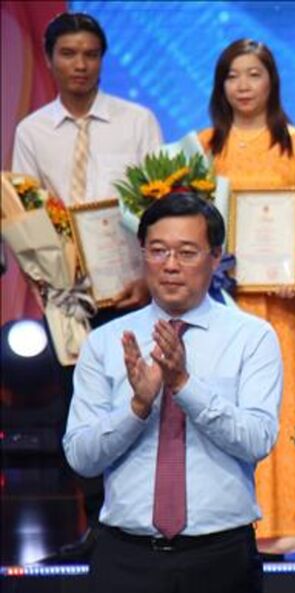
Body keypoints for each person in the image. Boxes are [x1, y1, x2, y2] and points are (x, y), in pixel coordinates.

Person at [63, 192, 282, 593]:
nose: (170, 265)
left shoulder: (252, 338)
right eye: (158, 250)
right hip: (125, 558)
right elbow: (81, 457)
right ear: (142, 254)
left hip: (216, 558)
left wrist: (184, 385)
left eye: (186, 252)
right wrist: (137, 408)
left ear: (216, 257)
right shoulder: (106, 342)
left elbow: (257, 440)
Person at [12, 11, 163, 559]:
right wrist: (54, 283)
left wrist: (148, 279)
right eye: (69, 54)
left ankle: (145, 521)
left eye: (90, 54)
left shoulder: (136, 121)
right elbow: (23, 210)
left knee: (140, 402)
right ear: (50, 59)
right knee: (80, 409)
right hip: (68, 299)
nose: (80, 64)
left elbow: (160, 204)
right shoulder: (32, 131)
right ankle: (98, 526)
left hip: (131, 291)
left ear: (103, 59)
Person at [199, 38, 295, 556]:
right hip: (218, 303)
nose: (244, 86)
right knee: (220, 403)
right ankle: (221, 521)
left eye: (254, 74)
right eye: (233, 75)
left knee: (279, 405)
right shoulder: (204, 147)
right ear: (220, 85)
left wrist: (293, 264)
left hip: (281, 304)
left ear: (272, 80)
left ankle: (282, 528)